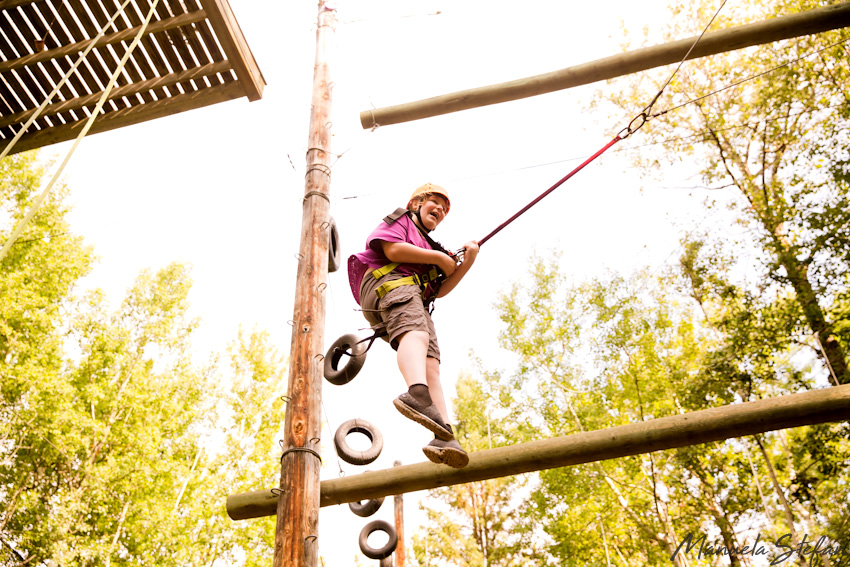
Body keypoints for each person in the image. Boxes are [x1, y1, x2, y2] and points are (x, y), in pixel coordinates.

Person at [347, 183, 479, 468]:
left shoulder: (431, 247)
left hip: (413, 298)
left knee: (431, 363)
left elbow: (440, 290)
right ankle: (417, 394)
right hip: (388, 284)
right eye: (435, 203)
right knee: (416, 333)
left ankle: (443, 435)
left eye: (444, 210)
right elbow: (392, 250)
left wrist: (464, 264)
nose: (440, 211)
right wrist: (440, 259)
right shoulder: (402, 221)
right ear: (415, 204)